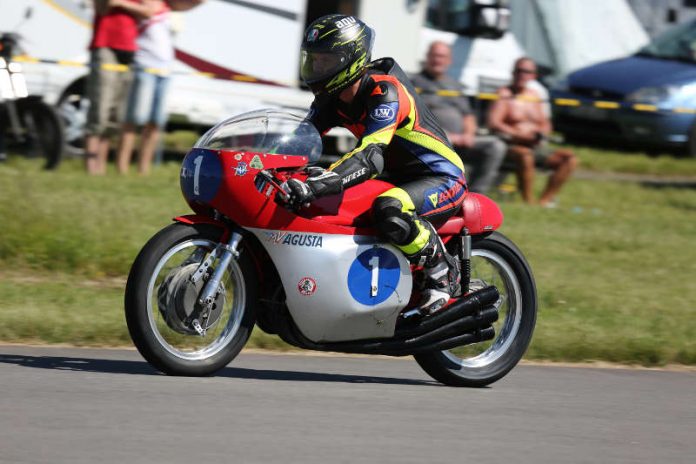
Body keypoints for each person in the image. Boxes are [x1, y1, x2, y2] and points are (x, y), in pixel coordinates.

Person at [283, 15, 466, 315]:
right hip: (398, 178)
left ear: (350, 59)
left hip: (441, 177)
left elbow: (371, 156)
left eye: (325, 61)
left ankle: (442, 271)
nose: (316, 70)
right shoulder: (331, 99)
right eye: (313, 61)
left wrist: (320, 183)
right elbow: (298, 143)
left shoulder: (385, 92)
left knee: (389, 209)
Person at [116, 0, 205, 175]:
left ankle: (143, 170)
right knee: (134, 120)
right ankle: (122, 167)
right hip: (144, 67)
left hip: (165, 71)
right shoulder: (142, 3)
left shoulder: (167, 5)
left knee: (155, 123)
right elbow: (147, 11)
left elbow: (196, 3)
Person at [410, 41, 507, 194]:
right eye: (435, 56)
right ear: (427, 57)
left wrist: (468, 134)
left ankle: (475, 194)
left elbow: (468, 115)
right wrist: (448, 135)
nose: (438, 60)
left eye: (442, 57)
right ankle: (444, 193)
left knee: (496, 146)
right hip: (432, 139)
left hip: (461, 140)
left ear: (449, 61)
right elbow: (415, 116)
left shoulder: (455, 85)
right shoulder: (414, 83)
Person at [488, 57, 578, 206]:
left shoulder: (535, 95)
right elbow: (494, 122)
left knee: (569, 159)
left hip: (536, 146)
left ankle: (544, 200)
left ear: (533, 76)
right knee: (525, 155)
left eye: (526, 71)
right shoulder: (504, 94)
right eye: (519, 71)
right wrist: (518, 135)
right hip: (510, 145)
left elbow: (545, 122)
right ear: (513, 73)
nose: (522, 74)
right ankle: (528, 201)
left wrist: (543, 133)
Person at [85, 0, 157, 175]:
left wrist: (121, 4)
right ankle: (91, 167)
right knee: (100, 110)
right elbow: (102, 8)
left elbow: (149, 11)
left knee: (115, 114)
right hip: (105, 47)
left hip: (129, 50)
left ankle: (101, 167)